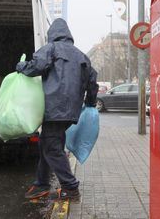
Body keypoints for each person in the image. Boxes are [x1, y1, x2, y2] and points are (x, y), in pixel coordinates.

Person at [16, 18, 99, 200]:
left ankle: (70, 187)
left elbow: (36, 66)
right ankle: (42, 183)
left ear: (52, 34)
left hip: (54, 109)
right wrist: (91, 103)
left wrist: (21, 67)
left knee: (51, 148)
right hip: (71, 112)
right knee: (47, 144)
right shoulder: (82, 56)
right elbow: (93, 83)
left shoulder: (51, 48)